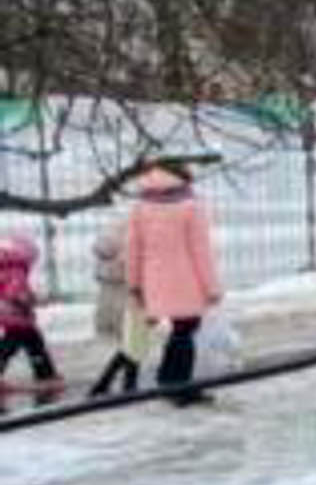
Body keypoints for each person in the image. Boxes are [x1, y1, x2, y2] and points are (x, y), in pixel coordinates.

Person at [124, 161, 223, 404]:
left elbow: (133, 248)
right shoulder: (190, 206)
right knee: (185, 330)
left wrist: (134, 283)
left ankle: (167, 379)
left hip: (153, 279)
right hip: (186, 281)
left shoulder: (141, 205)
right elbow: (201, 251)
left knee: (179, 332)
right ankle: (179, 385)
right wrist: (211, 288)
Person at [0, 234, 64, 400]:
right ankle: (45, 374)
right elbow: (16, 294)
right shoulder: (17, 272)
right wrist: (34, 301)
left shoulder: (5, 269)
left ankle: (45, 373)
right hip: (19, 318)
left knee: (28, 345)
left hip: (10, 317)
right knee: (22, 347)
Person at [88, 223, 147, 397]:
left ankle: (109, 384)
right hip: (130, 304)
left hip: (109, 306)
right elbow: (137, 280)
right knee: (134, 344)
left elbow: (99, 278)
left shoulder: (103, 260)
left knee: (131, 345)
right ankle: (121, 385)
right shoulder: (129, 256)